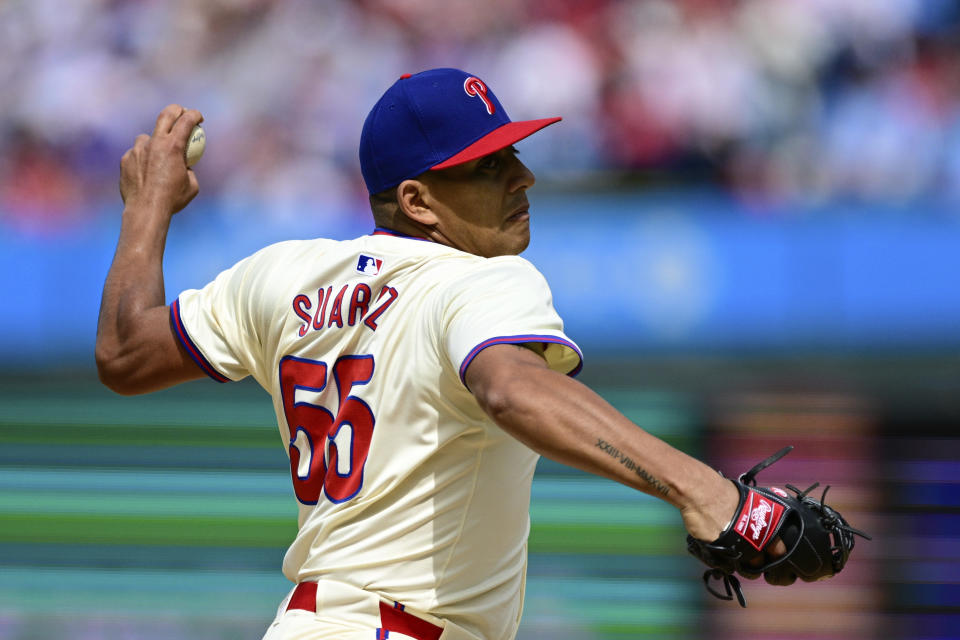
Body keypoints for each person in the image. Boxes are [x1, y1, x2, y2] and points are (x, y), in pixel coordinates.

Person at [96, 68, 770, 640]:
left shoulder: (281, 276)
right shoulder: (478, 280)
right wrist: (705, 489)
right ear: (417, 201)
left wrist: (146, 210)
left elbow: (125, 354)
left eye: (514, 154)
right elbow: (511, 389)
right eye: (489, 166)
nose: (524, 178)